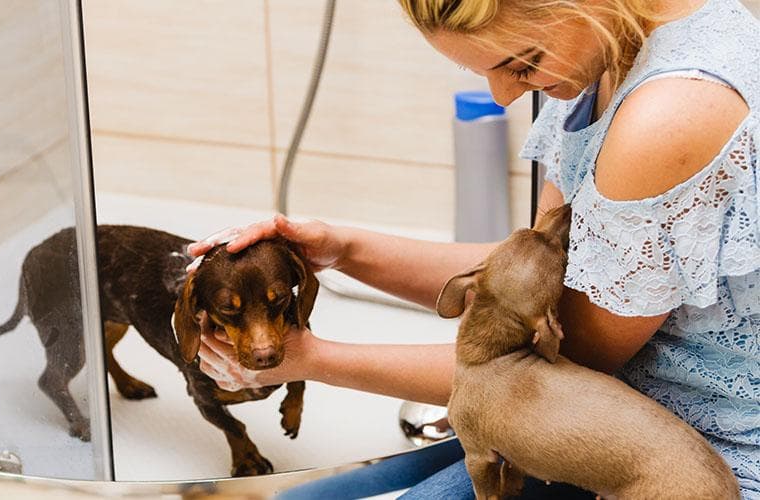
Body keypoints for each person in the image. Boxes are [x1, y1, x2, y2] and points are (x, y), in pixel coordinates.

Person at [188, 0, 759, 497]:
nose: (504, 95)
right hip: (619, 416)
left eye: (521, 64)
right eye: (482, 69)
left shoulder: (669, 114)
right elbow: (525, 286)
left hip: (700, 465)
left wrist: (310, 360)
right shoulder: (598, 48)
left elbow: (549, 356)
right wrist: (342, 249)